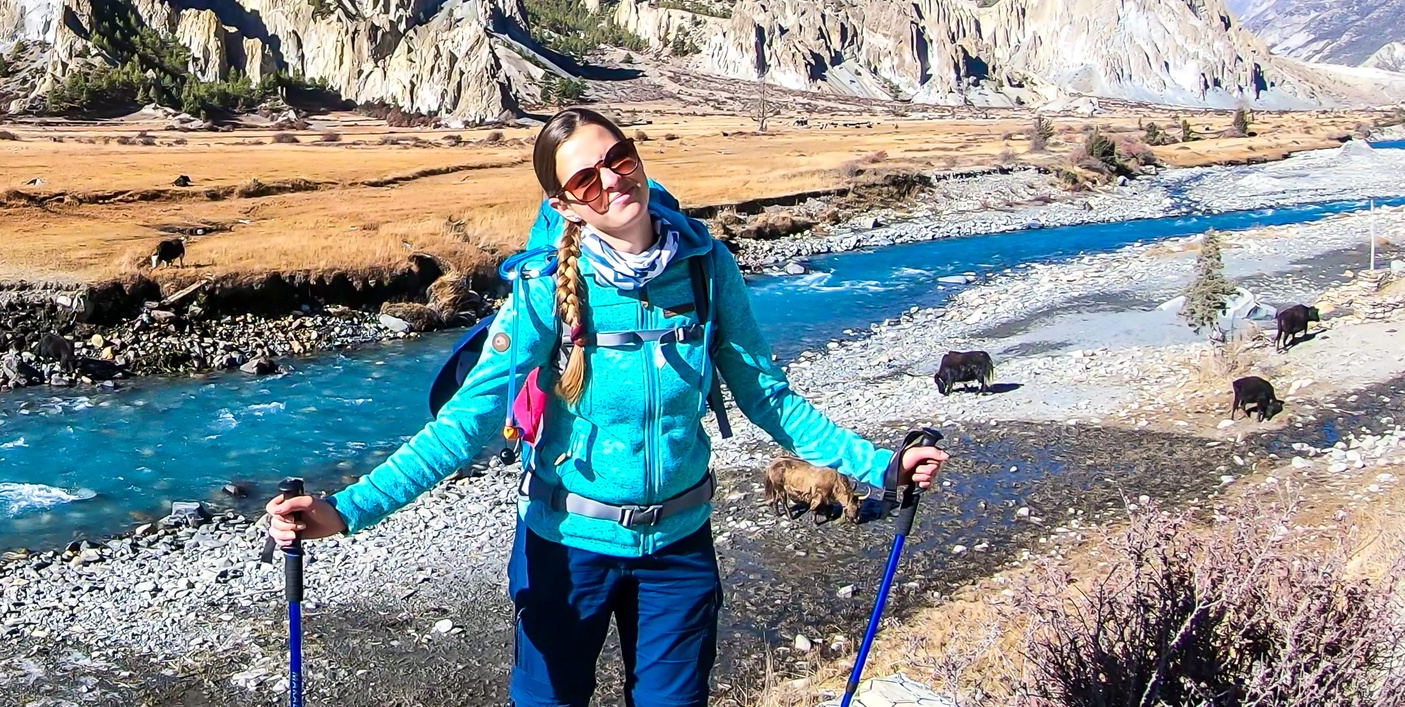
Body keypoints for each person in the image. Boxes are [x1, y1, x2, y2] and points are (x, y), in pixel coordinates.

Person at [266, 107, 948, 707]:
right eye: (585, 179)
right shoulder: (542, 289)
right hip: (563, 549)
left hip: (678, 550)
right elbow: (466, 421)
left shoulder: (708, 270)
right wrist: (347, 509)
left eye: (618, 159)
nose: (612, 180)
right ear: (564, 206)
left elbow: (767, 397)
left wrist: (880, 464)